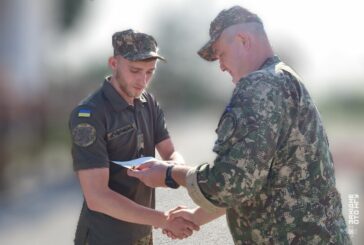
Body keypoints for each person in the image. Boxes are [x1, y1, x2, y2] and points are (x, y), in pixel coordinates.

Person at [127, 6, 352, 244]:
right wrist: (196, 216)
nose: (221, 66)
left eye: (221, 54)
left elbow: (231, 182)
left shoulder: (259, 87)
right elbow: (254, 179)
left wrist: (169, 174)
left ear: (243, 40)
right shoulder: (284, 79)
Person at [69, 29, 199, 245]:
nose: (143, 80)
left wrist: (169, 172)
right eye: (135, 70)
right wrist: (164, 220)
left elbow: (170, 152)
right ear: (113, 63)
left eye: (150, 72)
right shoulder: (89, 114)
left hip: (141, 235)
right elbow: (97, 197)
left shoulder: (148, 102)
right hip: (104, 238)